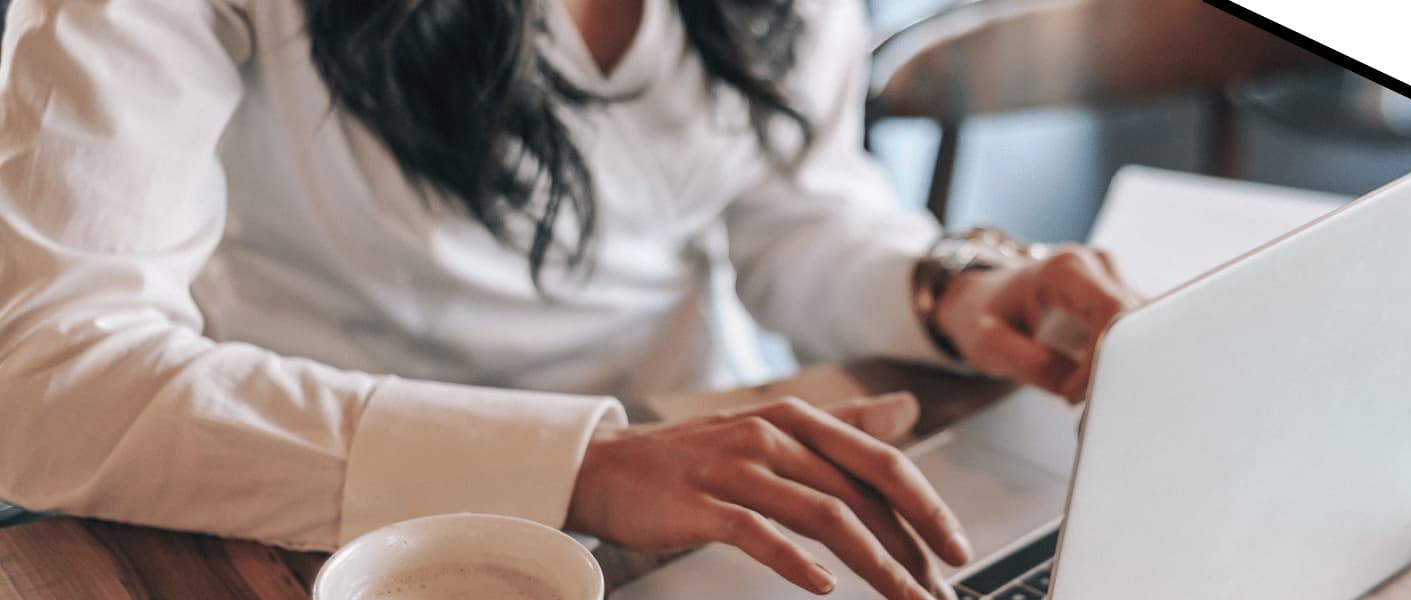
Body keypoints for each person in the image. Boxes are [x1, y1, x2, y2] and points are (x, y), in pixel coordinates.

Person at [0, 0, 1139, 598]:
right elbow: (49, 379)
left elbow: (792, 211)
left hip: (711, 458)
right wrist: (585, 467)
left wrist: (947, 287)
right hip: (315, 497)